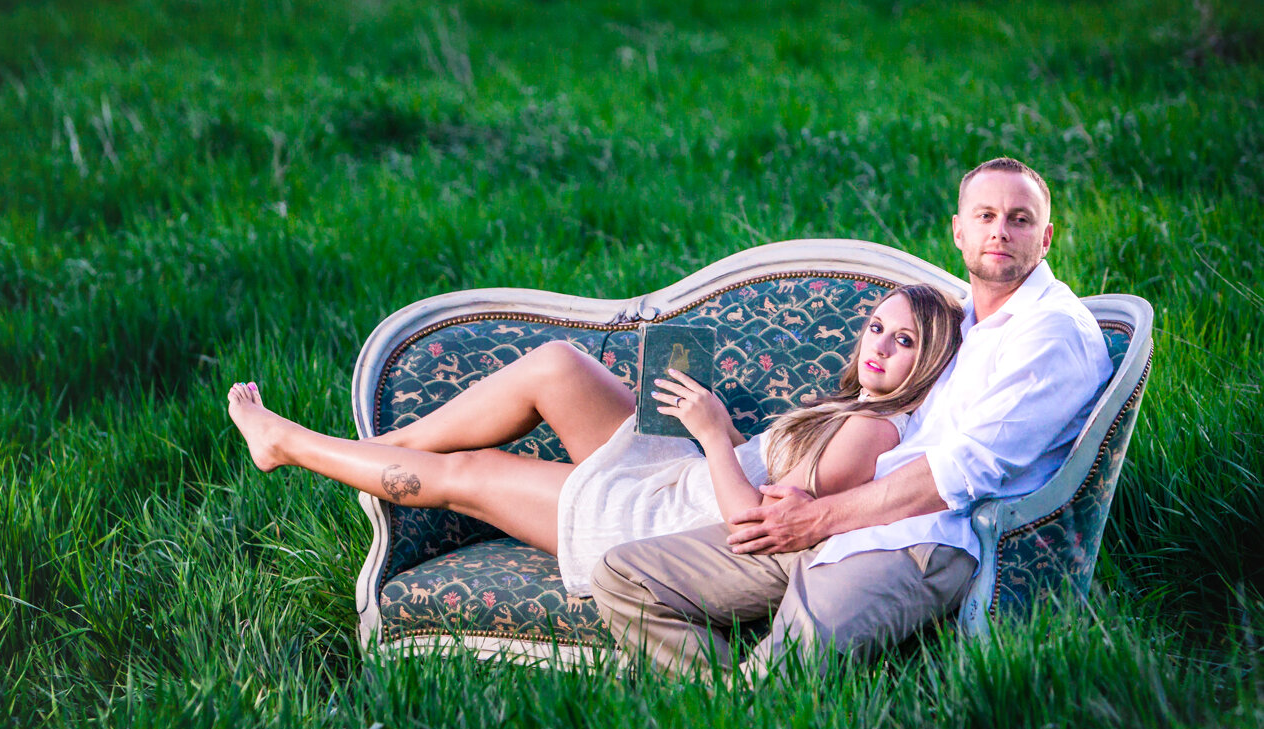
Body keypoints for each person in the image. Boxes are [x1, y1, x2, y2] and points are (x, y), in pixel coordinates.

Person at [588, 157, 1115, 679]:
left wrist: (819, 517)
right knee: (622, 577)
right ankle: (720, 699)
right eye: (985, 216)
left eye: (1019, 219)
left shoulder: (1049, 333)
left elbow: (961, 473)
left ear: (1045, 238)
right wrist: (812, 504)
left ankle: (739, 715)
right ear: (958, 231)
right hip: (843, 521)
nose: (1000, 231)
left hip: (918, 542)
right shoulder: (965, 320)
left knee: (782, 675)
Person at [225, 285, 963, 593]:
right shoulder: (855, 408)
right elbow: (765, 473)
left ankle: (286, 444)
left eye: (905, 342)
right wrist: (719, 432)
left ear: (927, 362)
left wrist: (711, 435)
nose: (880, 348)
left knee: (475, 472)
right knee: (557, 367)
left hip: (663, 522)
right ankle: (384, 453)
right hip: (678, 475)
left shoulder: (870, 431)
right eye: (876, 328)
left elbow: (755, 529)